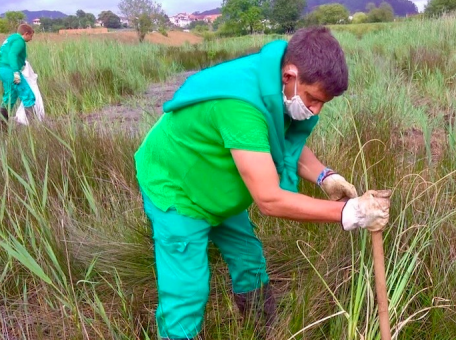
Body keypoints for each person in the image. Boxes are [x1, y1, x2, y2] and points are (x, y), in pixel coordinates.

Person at [134, 26, 392, 340]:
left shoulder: (274, 86)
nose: (315, 110)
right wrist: (348, 212)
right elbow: (269, 199)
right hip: (177, 187)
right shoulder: (241, 106)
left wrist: (326, 176)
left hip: (219, 186)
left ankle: (262, 329)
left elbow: (275, 141)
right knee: (187, 290)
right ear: (290, 76)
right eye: (312, 99)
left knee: (249, 259)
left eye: (324, 103)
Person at [0, 23, 36, 128]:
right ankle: (34, 128)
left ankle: (2, 128)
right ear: (26, 33)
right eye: (31, 36)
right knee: (28, 95)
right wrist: (15, 72)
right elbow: (12, 54)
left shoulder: (11, 38)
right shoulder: (19, 40)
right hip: (10, 71)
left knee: (10, 97)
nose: (31, 39)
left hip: (2, 70)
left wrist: (22, 63)